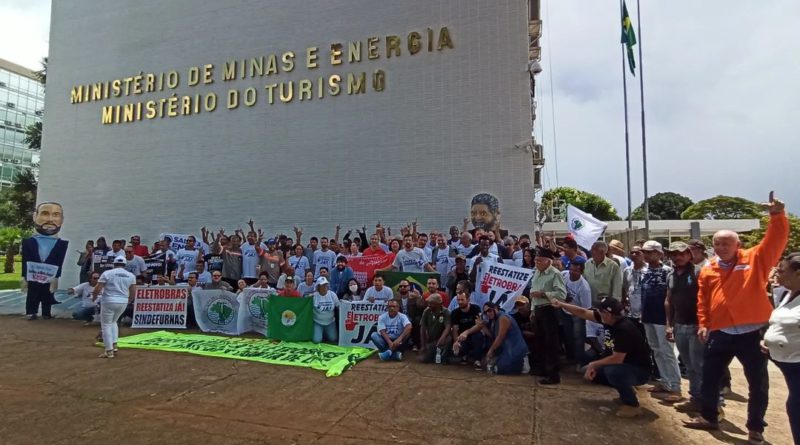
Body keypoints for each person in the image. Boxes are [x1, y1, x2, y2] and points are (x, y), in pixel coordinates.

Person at [684, 192, 789, 445]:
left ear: (737, 245)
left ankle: (755, 428)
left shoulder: (756, 258)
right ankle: (709, 416)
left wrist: (777, 216)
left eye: (726, 243)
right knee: (710, 377)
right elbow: (703, 299)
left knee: (758, 384)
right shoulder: (709, 267)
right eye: (717, 243)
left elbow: (775, 240)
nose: (721, 248)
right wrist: (703, 324)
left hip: (751, 334)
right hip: (720, 332)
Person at [554, 297, 652, 418]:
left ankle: (632, 405)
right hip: (624, 366)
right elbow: (583, 312)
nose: (598, 313)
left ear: (608, 314)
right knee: (591, 372)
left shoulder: (624, 329)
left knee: (611, 372)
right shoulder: (608, 319)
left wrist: (593, 364)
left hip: (639, 370)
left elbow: (617, 359)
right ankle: (626, 391)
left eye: (601, 311)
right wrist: (562, 305)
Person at [665, 241, 706, 413]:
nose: (678, 257)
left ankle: (714, 404)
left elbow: (708, 300)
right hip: (680, 325)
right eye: (674, 254)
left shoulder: (699, 272)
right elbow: (669, 301)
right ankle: (695, 399)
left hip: (696, 325)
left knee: (701, 366)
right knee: (689, 366)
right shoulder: (671, 275)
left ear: (689, 255)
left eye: (681, 253)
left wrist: (704, 324)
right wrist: (669, 325)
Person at [764, 252, 800, 445]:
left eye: (782, 270)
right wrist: (768, 341)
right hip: (788, 364)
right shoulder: (788, 293)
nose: (777, 273)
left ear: (798, 273)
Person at [639, 240, 682, 401]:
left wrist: (669, 321)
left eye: (650, 252)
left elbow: (671, 298)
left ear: (659, 253)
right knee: (656, 350)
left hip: (662, 318)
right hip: (648, 315)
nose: (646, 255)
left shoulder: (668, 272)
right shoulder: (644, 270)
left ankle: (676, 387)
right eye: (645, 252)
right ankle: (665, 381)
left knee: (667, 352)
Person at [21, 202, 69, 320]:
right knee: (32, 293)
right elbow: (25, 260)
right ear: (35, 216)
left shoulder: (61, 244)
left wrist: (56, 277)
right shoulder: (29, 242)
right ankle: (31, 312)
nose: (50, 219)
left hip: (49, 277)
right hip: (33, 276)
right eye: (45, 214)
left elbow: (59, 262)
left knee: (48, 293)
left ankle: (46, 313)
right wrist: (24, 277)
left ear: (62, 220)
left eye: (56, 215)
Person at [529, 247, 567, 385]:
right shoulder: (537, 272)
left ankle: (553, 375)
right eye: (536, 260)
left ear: (547, 261)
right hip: (538, 309)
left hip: (549, 310)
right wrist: (533, 310)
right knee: (540, 342)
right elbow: (533, 292)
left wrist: (544, 294)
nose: (536, 262)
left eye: (539, 260)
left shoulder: (555, 274)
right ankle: (543, 369)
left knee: (551, 343)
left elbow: (562, 294)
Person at [92, 256, 136, 358]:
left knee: (106, 325)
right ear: (125, 264)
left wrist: (94, 297)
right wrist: (129, 300)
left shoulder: (107, 273)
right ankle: (114, 345)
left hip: (109, 300)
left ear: (114, 263)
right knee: (113, 322)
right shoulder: (131, 275)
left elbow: (98, 288)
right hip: (123, 301)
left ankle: (109, 350)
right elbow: (133, 290)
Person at [561, 256, 592, 366]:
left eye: (575, 270)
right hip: (565, 311)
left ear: (581, 272)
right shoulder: (564, 275)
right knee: (567, 336)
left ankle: (580, 362)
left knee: (578, 338)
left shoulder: (584, 288)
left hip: (578, 315)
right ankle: (570, 358)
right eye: (571, 269)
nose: (572, 272)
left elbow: (586, 309)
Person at [483, 302, 528, 374]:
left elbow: (500, 337)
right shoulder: (494, 319)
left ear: (495, 309)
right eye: (485, 312)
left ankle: (523, 362)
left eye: (489, 310)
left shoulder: (503, 318)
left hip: (515, 349)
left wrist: (490, 351)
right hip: (507, 349)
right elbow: (493, 336)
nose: (488, 313)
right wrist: (482, 326)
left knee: (500, 369)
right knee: (488, 366)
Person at [451, 288, 485, 369]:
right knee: (458, 349)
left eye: (462, 300)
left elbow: (479, 325)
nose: (460, 302)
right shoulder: (455, 313)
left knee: (478, 336)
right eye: (458, 300)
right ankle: (464, 356)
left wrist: (466, 332)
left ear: (468, 299)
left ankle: (477, 360)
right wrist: (456, 342)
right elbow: (455, 329)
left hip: (474, 334)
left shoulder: (476, 309)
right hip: (462, 337)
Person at [418, 293, 451, 363]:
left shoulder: (446, 312)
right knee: (423, 359)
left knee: (449, 339)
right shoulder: (426, 311)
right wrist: (423, 345)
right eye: (428, 303)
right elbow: (422, 328)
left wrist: (443, 337)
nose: (429, 305)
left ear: (439, 304)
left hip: (441, 338)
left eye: (432, 303)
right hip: (431, 339)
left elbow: (448, 326)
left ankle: (444, 354)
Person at [311, 277, 339, 344]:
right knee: (316, 340)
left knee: (333, 339)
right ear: (318, 286)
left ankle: (324, 333)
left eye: (326, 284)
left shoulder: (332, 294)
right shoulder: (314, 296)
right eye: (322, 285)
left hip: (330, 322)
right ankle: (320, 333)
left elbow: (339, 306)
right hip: (318, 322)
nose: (325, 286)